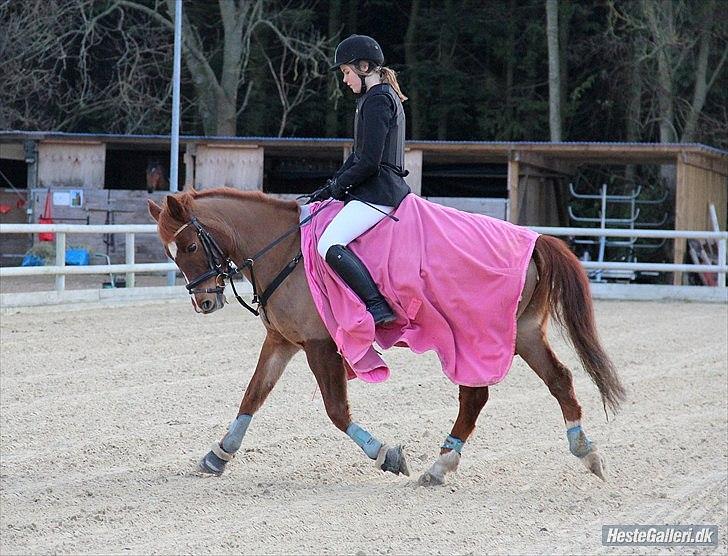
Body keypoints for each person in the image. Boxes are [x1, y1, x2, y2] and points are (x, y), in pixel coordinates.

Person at [309, 34, 411, 325]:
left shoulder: (379, 99)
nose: (344, 80)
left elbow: (369, 162)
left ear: (364, 67)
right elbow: (357, 157)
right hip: (374, 189)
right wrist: (330, 186)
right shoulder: (373, 98)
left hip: (380, 193)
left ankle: (377, 306)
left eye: (346, 72)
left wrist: (339, 187)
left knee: (328, 243)